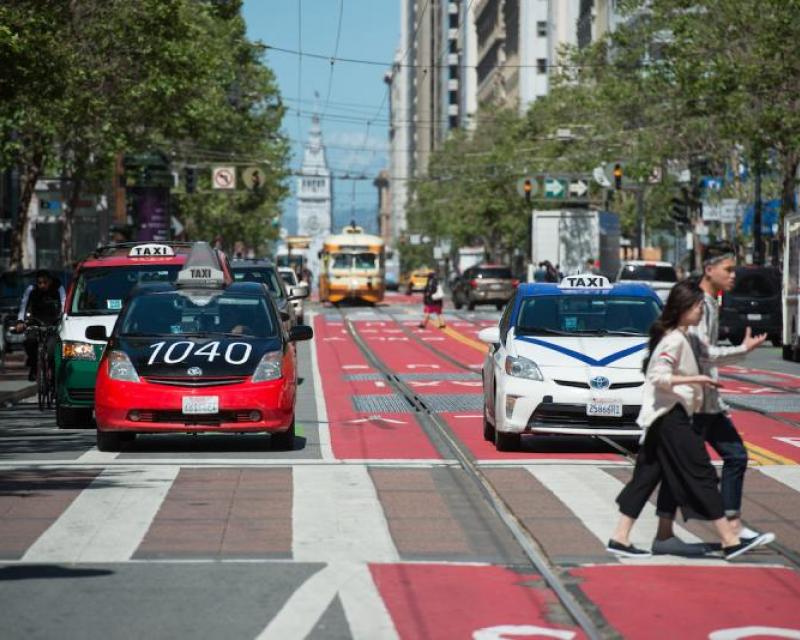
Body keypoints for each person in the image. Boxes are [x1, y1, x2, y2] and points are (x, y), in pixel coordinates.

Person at [607, 279, 772, 560]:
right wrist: (695, 378)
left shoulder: (685, 336)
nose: (700, 311)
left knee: (646, 477)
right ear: (683, 308)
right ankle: (730, 539)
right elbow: (658, 376)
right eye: (697, 307)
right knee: (701, 473)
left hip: (667, 415)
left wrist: (743, 350)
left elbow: (708, 356)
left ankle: (619, 537)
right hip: (671, 416)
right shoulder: (673, 339)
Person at [651, 244, 774, 554]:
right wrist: (741, 351)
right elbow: (701, 353)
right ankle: (729, 527)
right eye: (729, 270)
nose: (734, 276)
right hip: (696, 403)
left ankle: (667, 534)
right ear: (709, 269)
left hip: (705, 402)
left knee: (687, 465)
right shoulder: (700, 306)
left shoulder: (710, 303)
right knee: (727, 458)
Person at [15, 270, 65, 381]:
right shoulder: (31, 289)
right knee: (30, 342)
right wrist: (20, 321)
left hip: (53, 323)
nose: (42, 285)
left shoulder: (58, 288)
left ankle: (53, 374)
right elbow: (23, 306)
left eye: (45, 282)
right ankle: (34, 366)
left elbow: (64, 304)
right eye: (39, 283)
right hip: (36, 321)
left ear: (50, 281)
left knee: (52, 350)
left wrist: (63, 319)